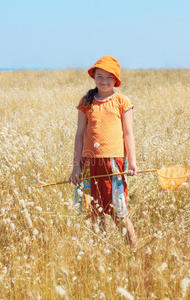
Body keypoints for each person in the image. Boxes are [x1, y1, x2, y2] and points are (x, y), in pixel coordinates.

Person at [69, 55, 137, 249]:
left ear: (116, 79)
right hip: (89, 164)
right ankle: (101, 252)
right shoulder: (86, 102)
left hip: (113, 164)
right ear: (94, 77)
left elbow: (128, 134)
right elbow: (80, 135)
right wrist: (76, 168)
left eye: (109, 77)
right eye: (100, 76)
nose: (104, 81)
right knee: (94, 212)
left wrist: (132, 163)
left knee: (119, 212)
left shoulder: (122, 101)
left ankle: (133, 252)